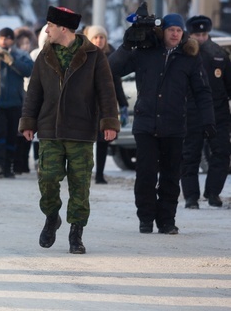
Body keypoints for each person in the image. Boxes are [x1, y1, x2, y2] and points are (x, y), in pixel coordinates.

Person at [19, 6, 119, 254]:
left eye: (50, 26)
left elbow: (107, 92)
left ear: (63, 28)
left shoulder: (94, 56)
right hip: (50, 129)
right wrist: (28, 121)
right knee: (48, 179)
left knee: (80, 184)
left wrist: (109, 121)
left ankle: (76, 233)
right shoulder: (45, 55)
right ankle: (52, 217)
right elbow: (34, 93)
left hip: (81, 130)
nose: (46, 30)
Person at [109, 12, 214, 235]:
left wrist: (208, 120)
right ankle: (146, 218)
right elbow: (112, 69)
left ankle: (167, 221)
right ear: (162, 31)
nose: (175, 34)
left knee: (170, 177)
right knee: (145, 175)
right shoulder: (145, 52)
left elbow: (202, 91)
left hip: (174, 126)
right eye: (171, 30)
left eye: (179, 30)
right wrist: (127, 46)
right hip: (146, 124)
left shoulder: (189, 58)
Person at [181, 15, 231, 208]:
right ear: (190, 34)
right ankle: (191, 197)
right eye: (196, 34)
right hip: (191, 111)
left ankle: (213, 193)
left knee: (221, 153)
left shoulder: (219, 54)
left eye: (203, 34)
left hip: (218, 111)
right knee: (189, 155)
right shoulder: (183, 54)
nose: (200, 38)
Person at [83, 25, 128, 184]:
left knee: (102, 141)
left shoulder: (113, 57)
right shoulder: (83, 55)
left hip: (105, 105)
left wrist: (123, 105)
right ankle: (83, 173)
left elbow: (117, 83)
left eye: (101, 37)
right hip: (86, 105)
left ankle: (99, 174)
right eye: (95, 37)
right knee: (85, 142)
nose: (99, 40)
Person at [0, 27, 33, 178]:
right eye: (2, 38)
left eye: (7, 38)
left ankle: (8, 166)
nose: (4, 41)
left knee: (11, 136)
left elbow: (29, 70)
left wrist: (12, 62)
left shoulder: (20, 55)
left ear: (12, 40)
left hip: (15, 102)